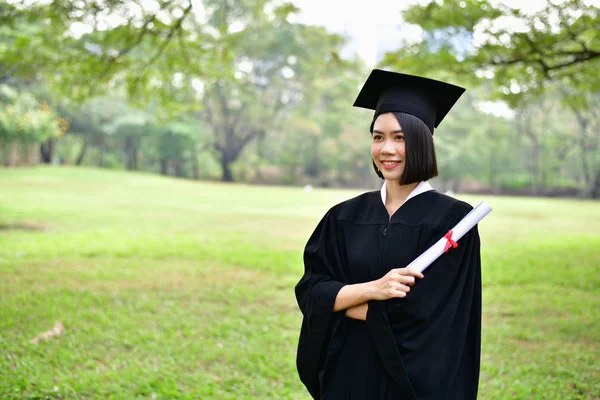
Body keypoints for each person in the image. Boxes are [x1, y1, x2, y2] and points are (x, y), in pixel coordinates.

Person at [295, 69, 482, 400]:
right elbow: (310, 291)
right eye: (378, 137)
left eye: (400, 137)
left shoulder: (453, 221)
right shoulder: (343, 217)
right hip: (346, 376)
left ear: (425, 141)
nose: (387, 149)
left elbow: (436, 316)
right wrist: (374, 289)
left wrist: (339, 302)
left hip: (410, 386)